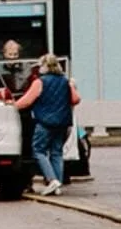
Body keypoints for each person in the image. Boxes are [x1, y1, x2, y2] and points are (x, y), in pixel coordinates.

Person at [15, 53, 80, 196]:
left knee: (38, 150)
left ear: (45, 66)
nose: (38, 68)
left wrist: (11, 106)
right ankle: (57, 184)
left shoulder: (40, 82)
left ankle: (51, 180)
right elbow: (75, 99)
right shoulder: (65, 81)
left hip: (44, 122)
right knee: (56, 152)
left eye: (40, 65)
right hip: (63, 123)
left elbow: (27, 101)